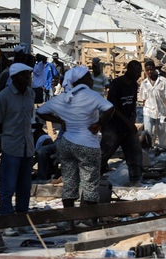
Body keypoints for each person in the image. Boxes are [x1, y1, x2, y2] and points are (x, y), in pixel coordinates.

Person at [37, 67, 114, 217]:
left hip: (67, 143)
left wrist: (60, 120)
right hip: (87, 144)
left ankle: (69, 218)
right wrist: (99, 123)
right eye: (89, 77)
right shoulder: (92, 95)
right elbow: (110, 108)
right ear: (82, 80)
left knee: (69, 183)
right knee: (90, 184)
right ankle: (87, 219)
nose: (91, 79)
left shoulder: (64, 97)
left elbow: (40, 111)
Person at [0, 63, 35, 227]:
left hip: (27, 147)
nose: (28, 79)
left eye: (29, 75)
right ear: (15, 77)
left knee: (24, 186)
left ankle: (22, 218)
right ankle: (7, 220)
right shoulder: (4, 97)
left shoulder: (30, 94)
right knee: (8, 186)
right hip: (11, 146)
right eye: (25, 75)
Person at [101, 60, 144, 185]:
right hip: (113, 126)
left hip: (127, 126)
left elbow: (133, 104)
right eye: (136, 71)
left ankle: (136, 180)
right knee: (104, 152)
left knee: (135, 152)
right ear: (129, 70)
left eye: (139, 71)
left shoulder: (134, 85)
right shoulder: (117, 84)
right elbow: (112, 107)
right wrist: (128, 122)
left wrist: (133, 120)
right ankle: (93, 176)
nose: (138, 74)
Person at [139, 60, 166, 149]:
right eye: (147, 70)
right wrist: (144, 108)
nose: (149, 72)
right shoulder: (144, 83)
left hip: (161, 111)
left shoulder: (162, 81)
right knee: (148, 132)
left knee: (161, 132)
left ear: (154, 69)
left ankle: (162, 149)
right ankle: (148, 149)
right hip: (148, 111)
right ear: (145, 71)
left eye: (151, 70)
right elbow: (143, 99)